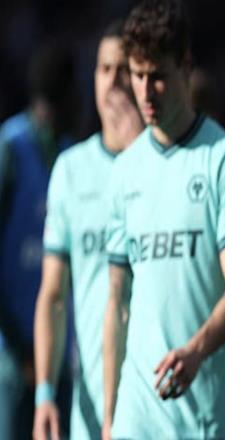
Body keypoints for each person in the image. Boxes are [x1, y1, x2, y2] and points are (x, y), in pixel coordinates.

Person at [102, 1, 225, 438]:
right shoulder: (125, 170)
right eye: (137, 75)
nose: (145, 92)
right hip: (136, 417)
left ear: (186, 67)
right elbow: (118, 303)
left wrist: (196, 351)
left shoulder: (222, 158)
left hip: (202, 418)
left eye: (158, 76)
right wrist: (111, 417)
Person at [32, 20, 143, 440]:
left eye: (124, 69)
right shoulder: (70, 170)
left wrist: (140, 149)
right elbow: (54, 295)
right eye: (104, 68)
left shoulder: (163, 165)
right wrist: (45, 392)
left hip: (159, 403)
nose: (112, 81)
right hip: (92, 406)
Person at [0, 41, 78, 440]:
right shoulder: (10, 148)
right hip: (11, 361)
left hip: (58, 356)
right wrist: (17, 345)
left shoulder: (69, 155)